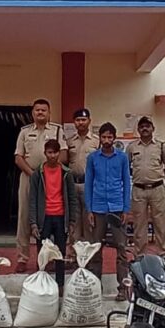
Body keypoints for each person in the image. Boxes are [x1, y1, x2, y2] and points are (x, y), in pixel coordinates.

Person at [14, 99, 68, 272]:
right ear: (32, 113)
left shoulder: (57, 130)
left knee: (48, 217)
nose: (40, 113)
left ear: (49, 113)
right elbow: (18, 157)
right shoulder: (24, 132)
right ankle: (22, 258)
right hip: (28, 177)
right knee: (24, 217)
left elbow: (64, 155)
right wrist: (34, 174)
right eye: (37, 110)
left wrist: (47, 173)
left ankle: (47, 257)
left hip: (50, 179)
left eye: (44, 110)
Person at [85, 122, 131, 301]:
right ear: (99, 138)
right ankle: (96, 287)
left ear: (114, 138)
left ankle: (123, 288)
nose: (106, 140)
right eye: (103, 137)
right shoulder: (92, 158)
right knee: (96, 249)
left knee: (121, 248)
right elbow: (89, 184)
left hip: (117, 207)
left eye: (109, 137)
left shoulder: (122, 158)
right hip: (98, 207)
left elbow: (127, 183)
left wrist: (126, 208)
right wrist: (89, 209)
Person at [29, 139, 77, 295]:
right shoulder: (38, 174)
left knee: (60, 253)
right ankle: (40, 285)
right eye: (49, 152)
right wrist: (33, 223)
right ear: (45, 153)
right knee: (42, 254)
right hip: (44, 218)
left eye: (55, 152)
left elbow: (72, 198)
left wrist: (72, 221)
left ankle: (60, 285)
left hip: (61, 217)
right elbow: (33, 199)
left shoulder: (66, 173)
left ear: (59, 153)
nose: (52, 156)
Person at [126, 116, 165, 257]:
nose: (145, 129)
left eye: (147, 126)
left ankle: (164, 254)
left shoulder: (161, 146)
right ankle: (140, 255)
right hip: (138, 190)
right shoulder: (132, 147)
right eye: (142, 126)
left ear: (153, 128)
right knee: (139, 224)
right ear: (138, 130)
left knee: (161, 223)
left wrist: (155, 175)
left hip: (157, 189)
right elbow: (126, 167)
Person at [65, 108, 99, 265]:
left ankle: (89, 256)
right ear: (74, 122)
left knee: (89, 221)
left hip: (89, 185)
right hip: (73, 184)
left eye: (83, 120)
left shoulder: (96, 141)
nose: (81, 123)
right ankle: (73, 255)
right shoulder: (69, 141)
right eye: (78, 120)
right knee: (74, 221)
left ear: (89, 121)